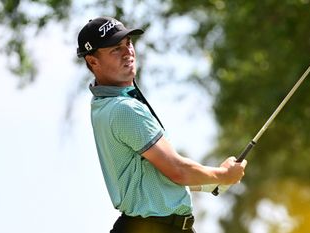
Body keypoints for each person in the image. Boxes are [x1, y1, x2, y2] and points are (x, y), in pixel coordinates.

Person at [76, 16, 247, 233]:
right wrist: (223, 175)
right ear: (93, 62)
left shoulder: (103, 104)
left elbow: (155, 179)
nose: (128, 51)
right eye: (115, 49)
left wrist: (212, 181)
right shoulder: (124, 108)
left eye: (128, 43)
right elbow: (177, 171)